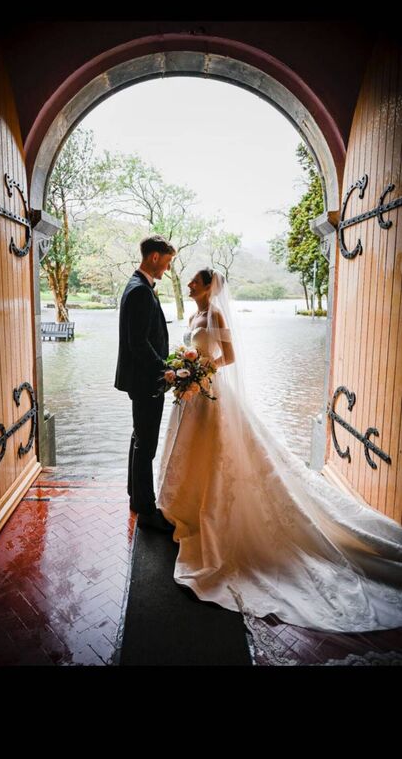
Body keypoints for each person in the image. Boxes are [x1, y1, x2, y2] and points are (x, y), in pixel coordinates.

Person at [157, 268, 402, 632]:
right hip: (192, 397)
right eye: (190, 281)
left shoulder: (217, 314)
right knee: (190, 452)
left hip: (209, 392)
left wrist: (199, 369)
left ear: (209, 286)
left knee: (220, 456)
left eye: (195, 280)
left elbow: (229, 356)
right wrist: (186, 368)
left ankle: (216, 512)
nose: (189, 284)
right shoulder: (194, 315)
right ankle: (186, 506)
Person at [115, 235, 176, 532]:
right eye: (167, 261)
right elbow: (138, 343)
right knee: (147, 444)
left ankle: (134, 495)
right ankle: (146, 511)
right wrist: (165, 370)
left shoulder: (138, 286)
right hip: (146, 380)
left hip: (141, 379)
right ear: (154, 257)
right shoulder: (140, 291)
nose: (167, 267)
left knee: (139, 437)